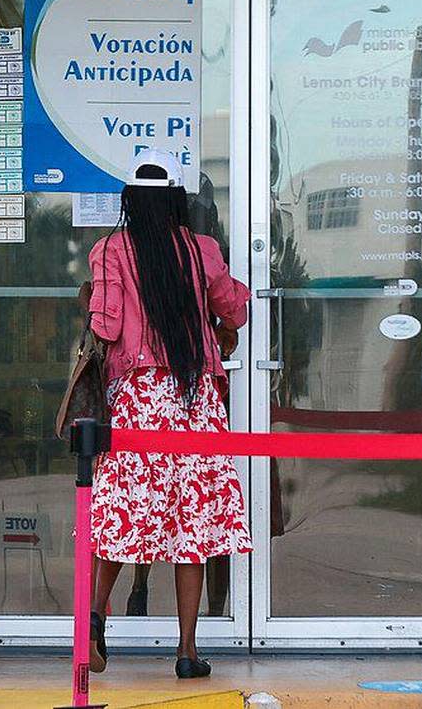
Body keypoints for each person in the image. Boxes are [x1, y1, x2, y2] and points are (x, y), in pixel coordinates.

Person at [79, 148, 252, 679]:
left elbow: (105, 329)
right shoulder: (201, 249)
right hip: (193, 396)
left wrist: (93, 300)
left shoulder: (109, 250)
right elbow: (236, 310)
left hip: (138, 397)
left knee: (125, 513)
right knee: (193, 523)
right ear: (178, 200)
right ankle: (186, 650)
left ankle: (92, 617)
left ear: (129, 200)